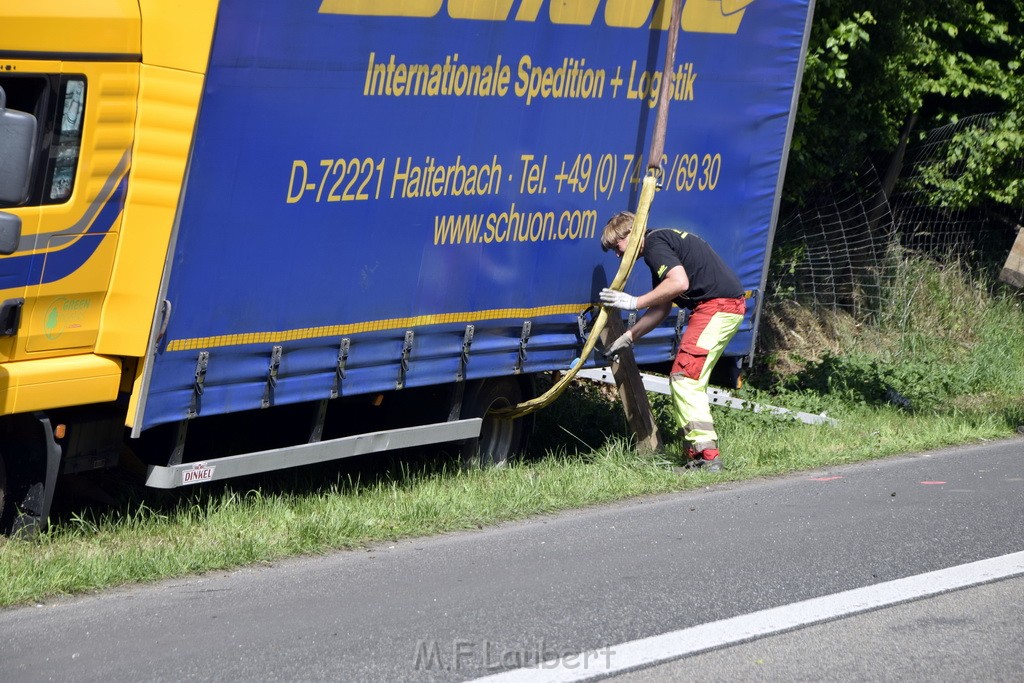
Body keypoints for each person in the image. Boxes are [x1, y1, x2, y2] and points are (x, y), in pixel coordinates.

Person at [598, 211, 745, 471]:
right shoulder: (660, 242)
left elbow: (678, 283)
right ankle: (698, 457)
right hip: (721, 307)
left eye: (617, 247)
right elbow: (662, 307)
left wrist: (634, 302)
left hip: (716, 307)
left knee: (685, 378)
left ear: (631, 234)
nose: (618, 255)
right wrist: (629, 337)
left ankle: (707, 458)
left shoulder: (654, 244)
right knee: (687, 379)